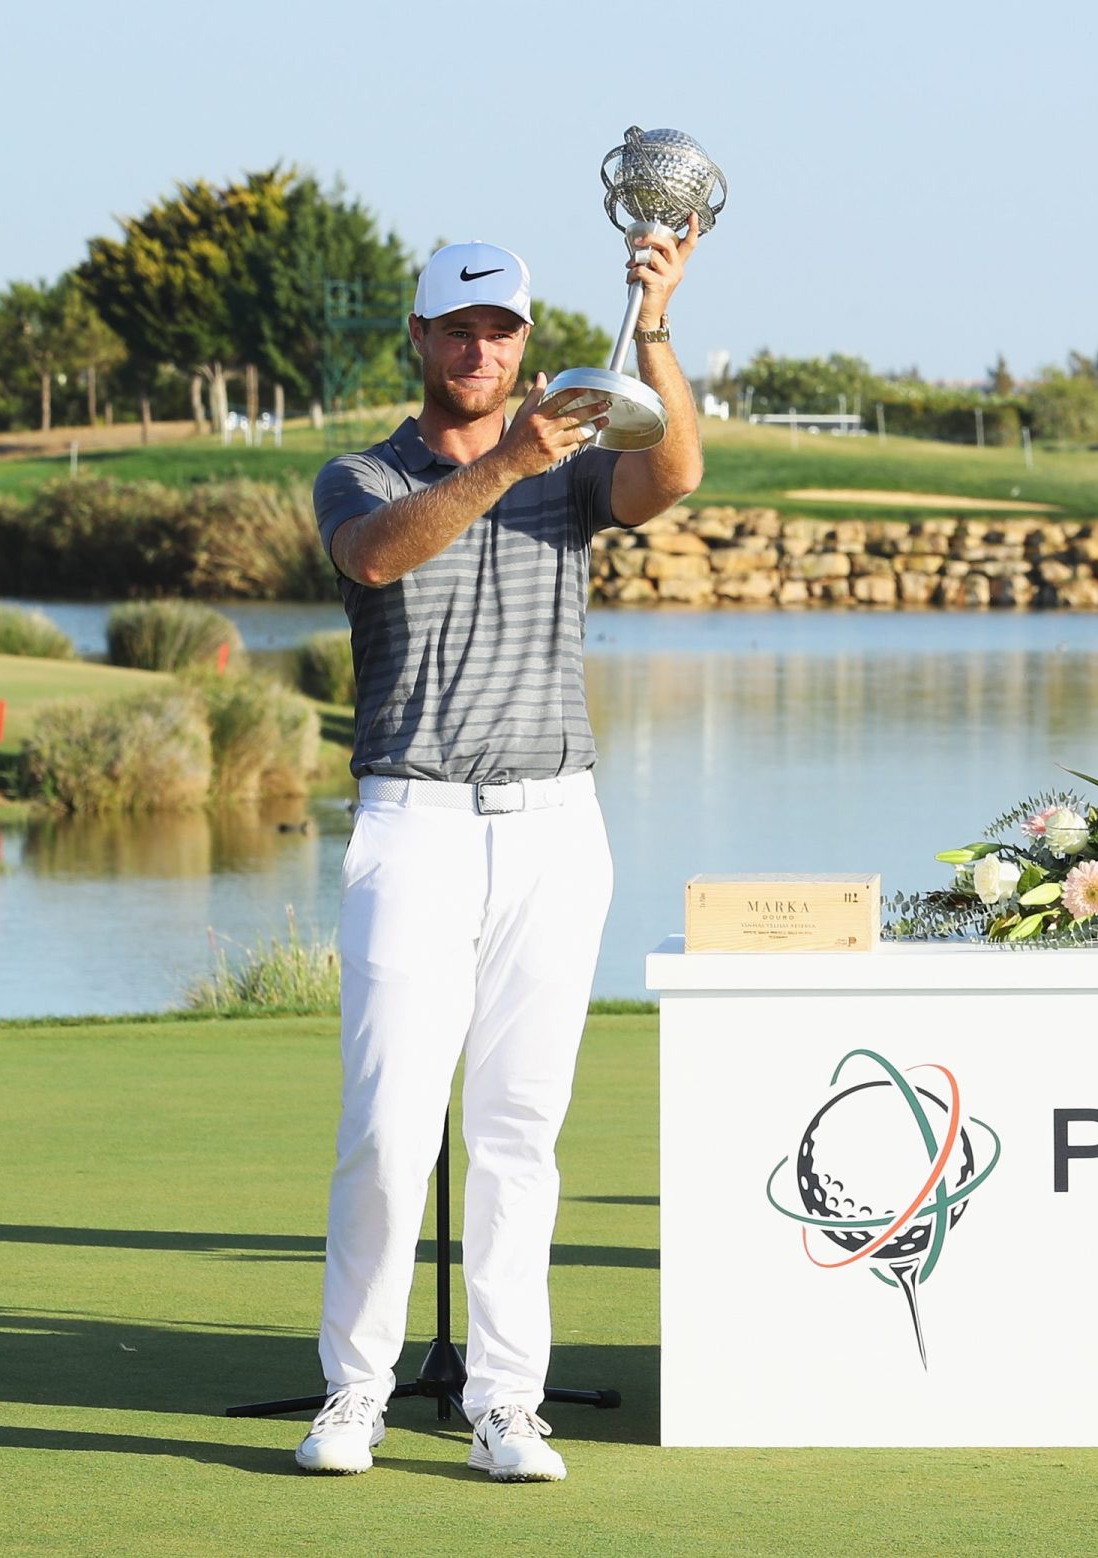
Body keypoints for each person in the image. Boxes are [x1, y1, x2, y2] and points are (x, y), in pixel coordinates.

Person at [294, 227, 704, 1481]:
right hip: (411, 826)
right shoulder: (359, 474)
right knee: (390, 1127)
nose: (481, 348)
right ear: (419, 338)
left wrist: (655, 325)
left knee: (521, 1129)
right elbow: (379, 555)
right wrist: (510, 456)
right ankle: (355, 1392)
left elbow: (674, 474)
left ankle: (505, 1405)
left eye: (502, 331)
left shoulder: (573, 476)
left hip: (552, 828)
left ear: (525, 342)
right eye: (459, 329)